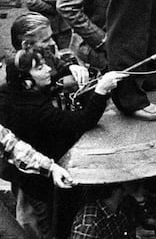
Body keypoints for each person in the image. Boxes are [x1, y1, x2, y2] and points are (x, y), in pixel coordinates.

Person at [0, 48, 125, 238]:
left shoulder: (10, 91)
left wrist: (69, 69)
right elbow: (81, 121)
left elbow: (12, 145)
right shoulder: (34, 110)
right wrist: (100, 91)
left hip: (30, 171)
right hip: (37, 182)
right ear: (26, 81)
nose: (48, 69)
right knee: (47, 228)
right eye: (40, 68)